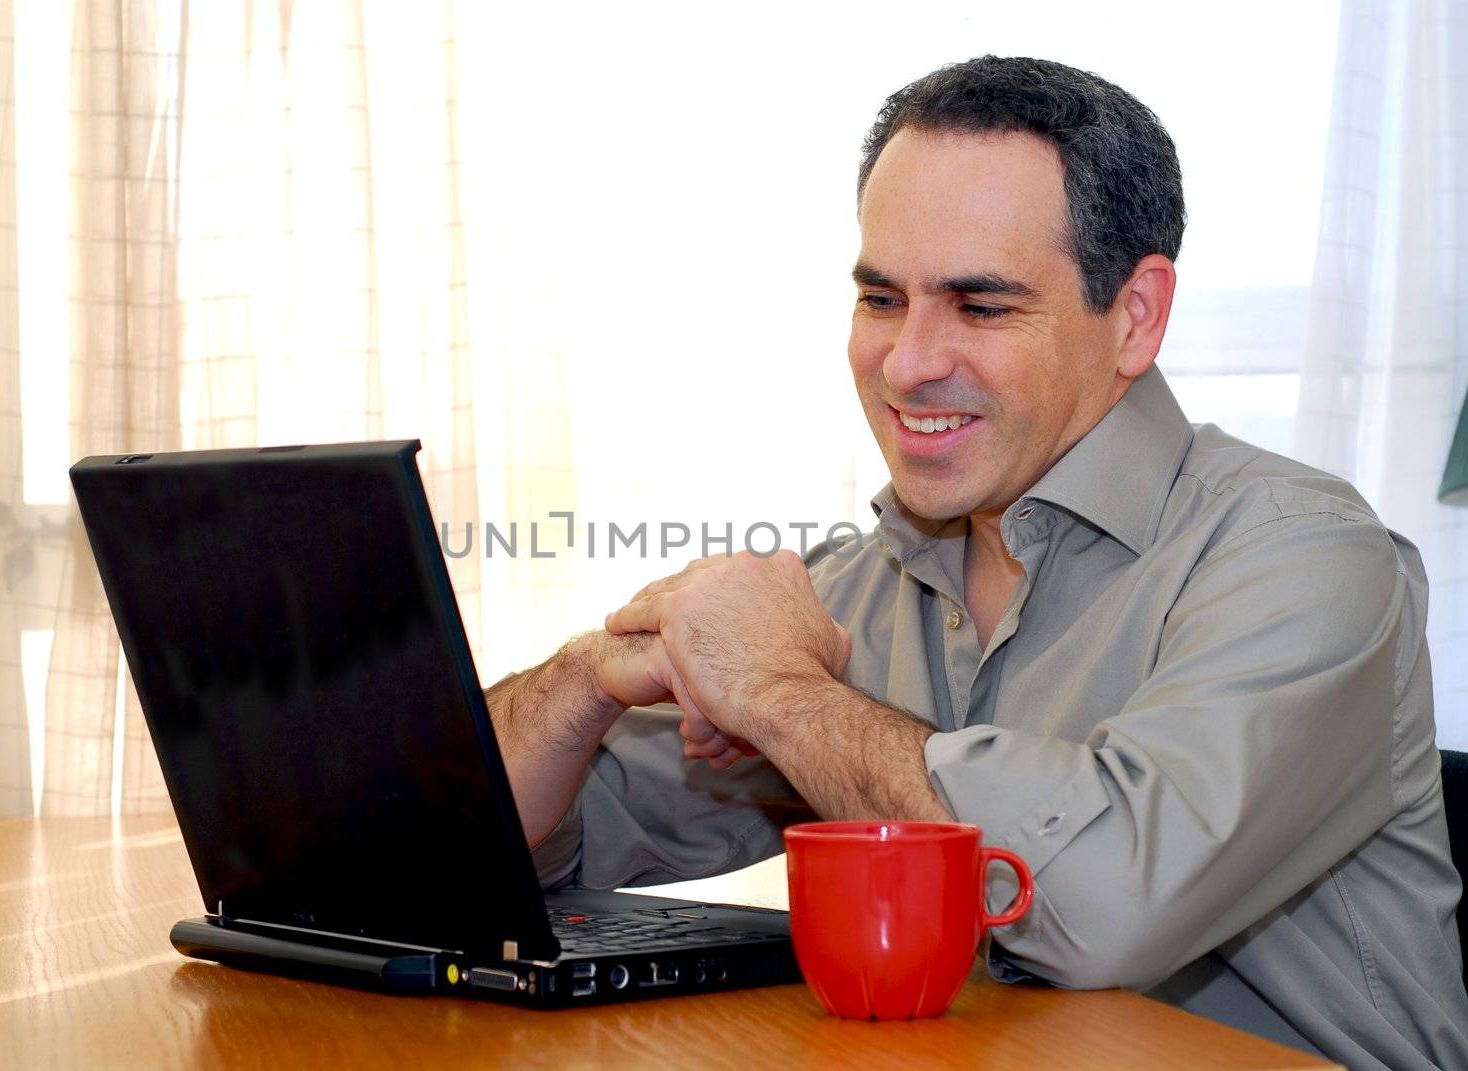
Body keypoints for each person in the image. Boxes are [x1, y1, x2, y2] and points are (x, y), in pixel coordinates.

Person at [483, 56, 1468, 1069]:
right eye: (880, 299)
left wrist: (780, 695)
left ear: (1134, 317)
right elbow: (476, 852)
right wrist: (580, 680)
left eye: (981, 306)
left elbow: (1096, 909)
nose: (906, 362)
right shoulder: (853, 590)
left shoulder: (1305, 557)